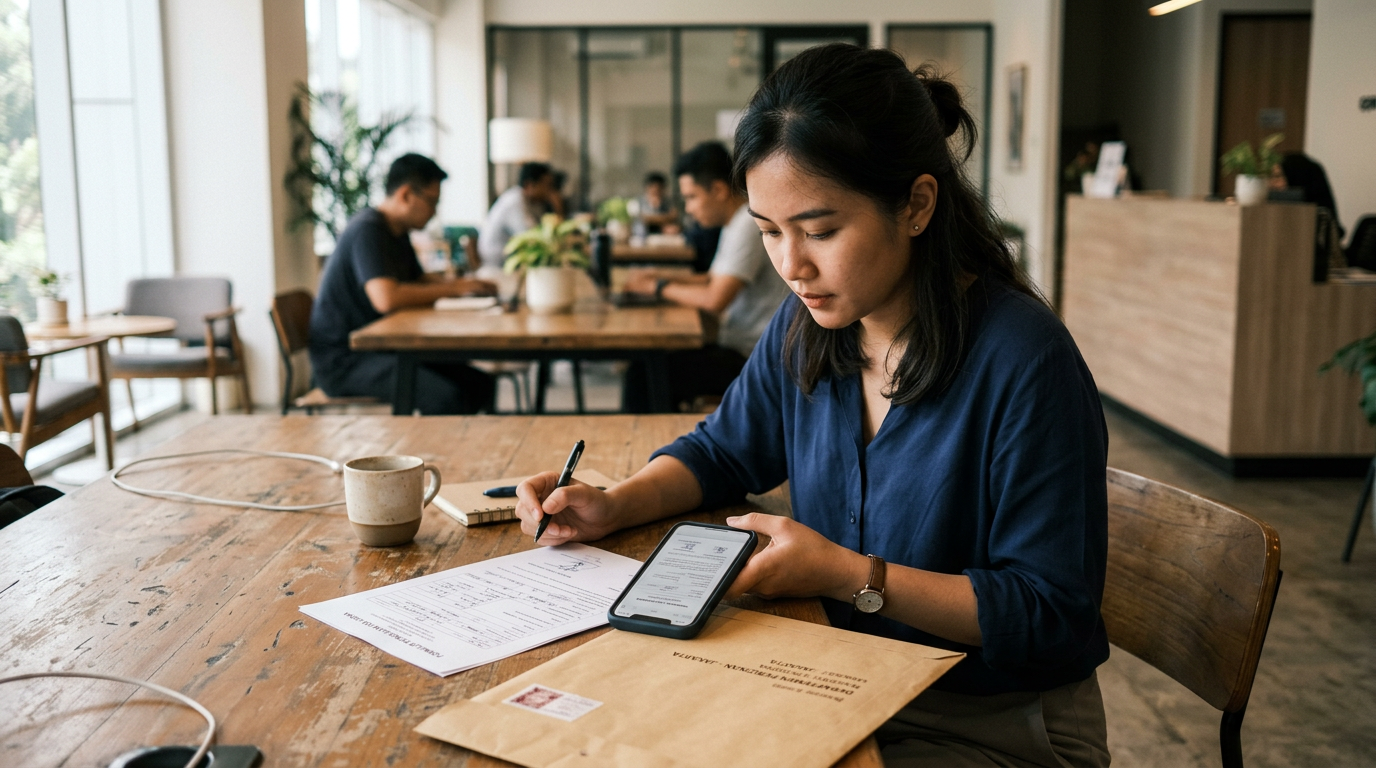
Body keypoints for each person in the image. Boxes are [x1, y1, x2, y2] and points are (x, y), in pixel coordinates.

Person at [517, 44, 1111, 768]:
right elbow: (720, 451)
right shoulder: (810, 328)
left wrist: (847, 575)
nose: (792, 266)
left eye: (821, 231)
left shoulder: (1025, 361)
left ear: (917, 204)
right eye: (769, 232)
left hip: (986, 723)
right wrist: (614, 504)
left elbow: (1049, 614)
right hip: (840, 681)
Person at [309, 153, 498, 414]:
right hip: (346, 360)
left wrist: (465, 284)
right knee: (447, 397)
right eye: (432, 201)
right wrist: (455, 289)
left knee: (480, 383)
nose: (434, 211)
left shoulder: (396, 231)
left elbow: (418, 279)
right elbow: (386, 298)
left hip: (383, 349)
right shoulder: (368, 229)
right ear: (406, 194)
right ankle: (432, 455)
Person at [622, 141, 792, 411]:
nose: (688, 208)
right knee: (652, 367)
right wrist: (658, 276)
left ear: (718, 190)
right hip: (739, 346)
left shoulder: (748, 224)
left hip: (754, 357)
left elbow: (715, 298)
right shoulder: (735, 222)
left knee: (643, 374)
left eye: (691, 197)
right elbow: (714, 277)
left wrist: (658, 286)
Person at [477, 162, 560, 270]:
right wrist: (558, 208)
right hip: (495, 267)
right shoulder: (514, 201)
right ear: (529, 185)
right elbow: (532, 237)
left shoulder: (533, 203)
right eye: (546, 185)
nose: (550, 191)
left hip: (510, 264)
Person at [633, 171, 680, 237]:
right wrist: (665, 219)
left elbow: (674, 215)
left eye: (659, 188)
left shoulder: (668, 202)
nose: (656, 190)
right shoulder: (639, 202)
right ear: (647, 187)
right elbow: (642, 218)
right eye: (653, 187)